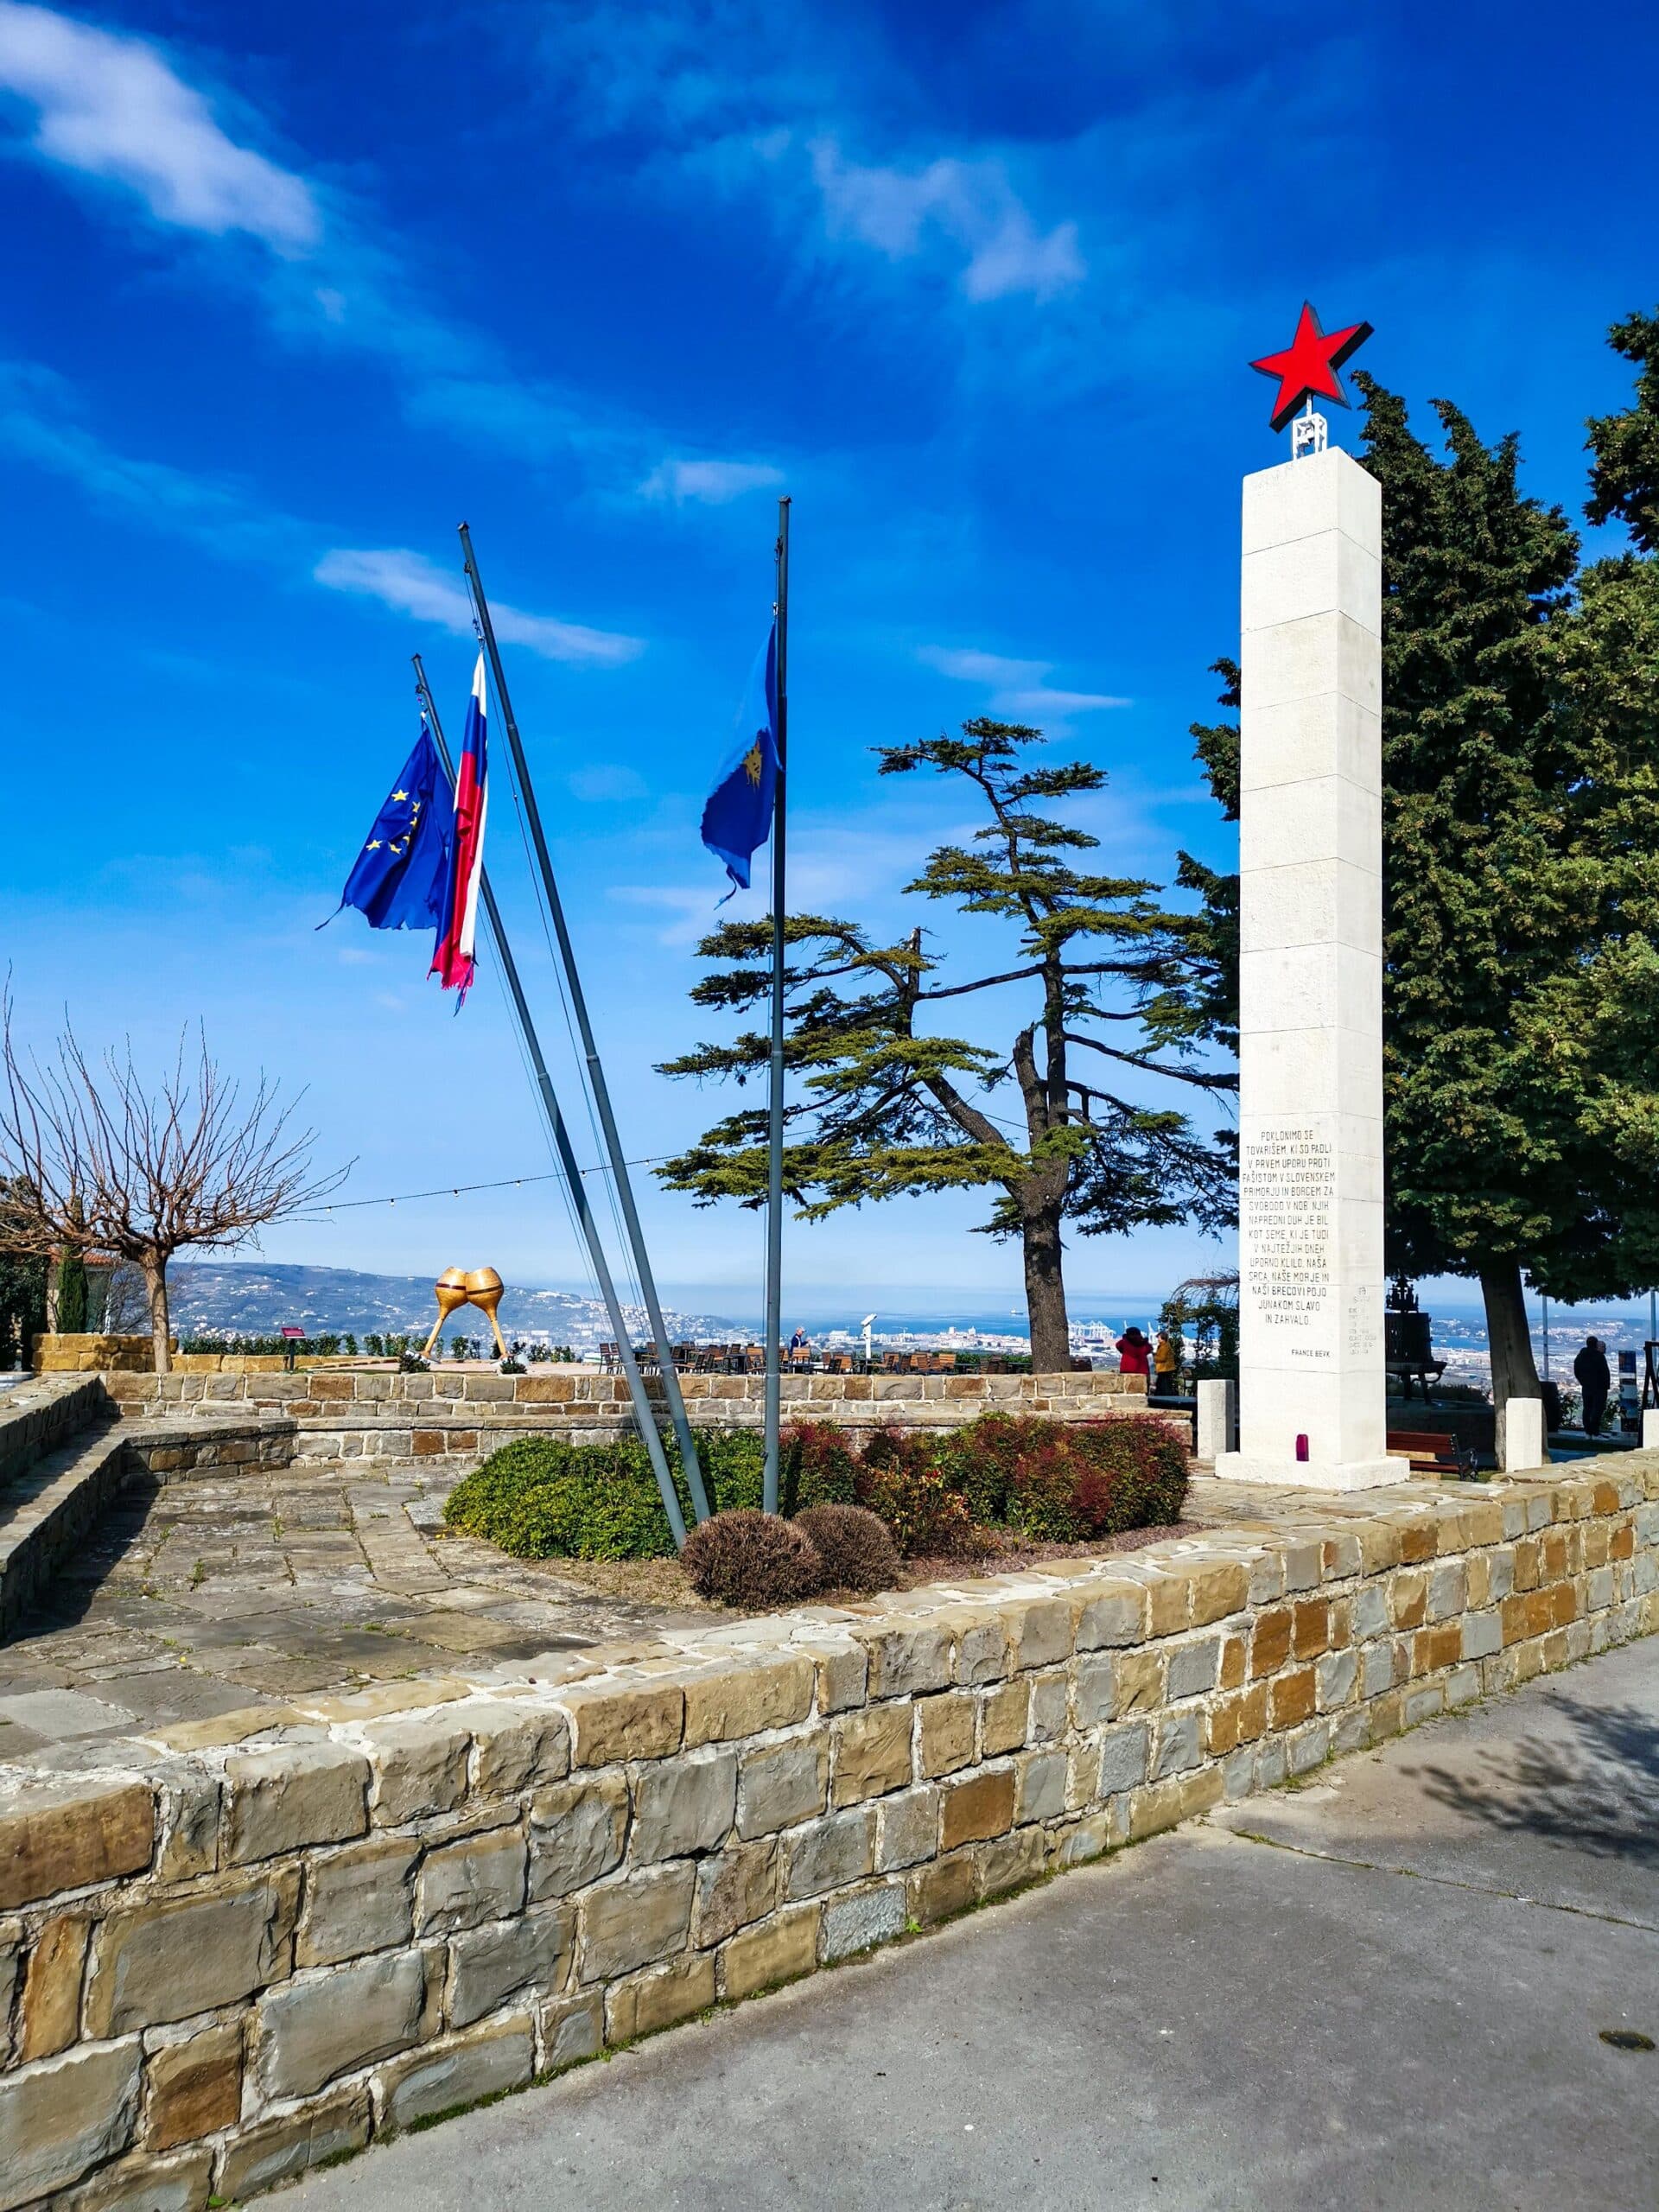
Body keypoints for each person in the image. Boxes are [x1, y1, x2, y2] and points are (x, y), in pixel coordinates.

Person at [1573, 1336, 1611, 1436]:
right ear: (1596, 1345)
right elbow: (1604, 1372)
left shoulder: (1581, 1356)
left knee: (1587, 1408)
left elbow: (1576, 1370)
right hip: (1600, 1387)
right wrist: (1605, 1385)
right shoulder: (1599, 1357)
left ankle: (1588, 1432)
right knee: (1597, 1409)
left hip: (1586, 1386)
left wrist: (1582, 1381)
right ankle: (1595, 1432)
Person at [1153, 1328, 1179, 1395]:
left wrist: (1155, 1357)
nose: (1158, 1339)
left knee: (1164, 1386)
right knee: (1162, 1385)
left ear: (1163, 1338)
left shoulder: (1165, 1346)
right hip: (1164, 1369)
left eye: (1159, 1338)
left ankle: (1163, 1397)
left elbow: (1162, 1358)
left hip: (1165, 1369)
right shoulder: (1162, 1346)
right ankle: (1160, 1396)